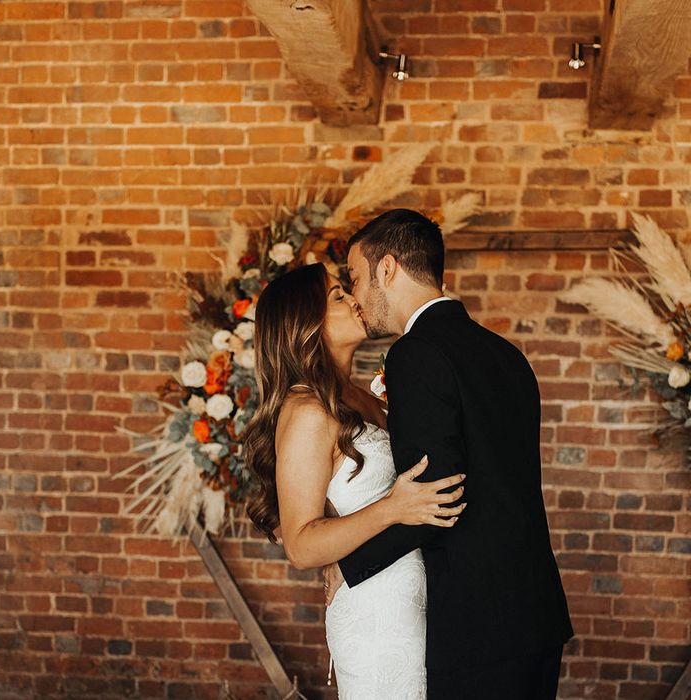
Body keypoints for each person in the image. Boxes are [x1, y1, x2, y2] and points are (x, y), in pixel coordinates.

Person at [322, 208, 573, 700]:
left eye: (355, 277)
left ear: (387, 269)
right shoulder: (505, 353)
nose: (355, 295)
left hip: (478, 623)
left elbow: (436, 501)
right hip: (534, 611)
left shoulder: (416, 354)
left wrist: (345, 564)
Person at [244, 262, 467, 699]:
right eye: (336, 296)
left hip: (414, 596)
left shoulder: (360, 396)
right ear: (304, 322)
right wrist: (393, 507)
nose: (353, 299)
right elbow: (302, 545)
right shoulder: (307, 411)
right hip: (375, 615)